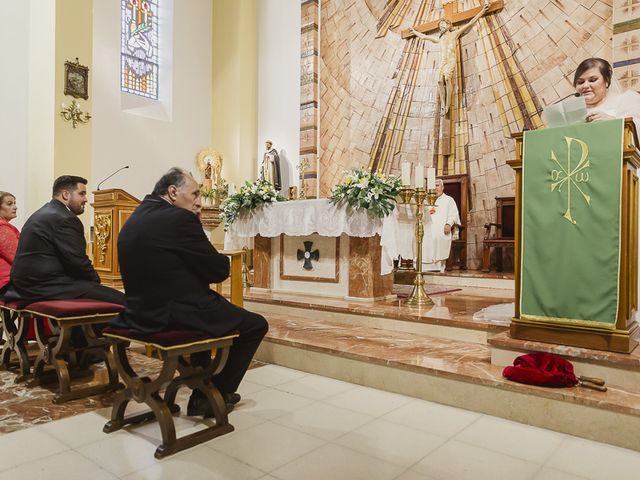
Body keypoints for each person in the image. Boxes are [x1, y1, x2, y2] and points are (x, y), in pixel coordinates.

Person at [112, 167, 268, 416]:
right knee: (255, 325)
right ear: (172, 192)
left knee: (208, 314)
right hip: (172, 313)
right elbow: (218, 271)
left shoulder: (135, 216)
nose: (199, 202)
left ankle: (201, 389)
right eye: (195, 194)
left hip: (137, 312)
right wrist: (195, 224)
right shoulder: (179, 219)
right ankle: (214, 393)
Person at [5, 175, 125, 305]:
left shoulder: (44, 212)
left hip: (24, 284)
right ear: (66, 195)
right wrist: (95, 280)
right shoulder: (65, 218)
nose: (85, 199)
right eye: (82, 194)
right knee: (122, 300)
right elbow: (78, 262)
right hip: (43, 286)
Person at [410, 1, 490, 116]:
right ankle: (443, 104)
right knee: (439, 81)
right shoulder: (439, 39)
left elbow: (471, 23)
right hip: (442, 62)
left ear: (448, 26)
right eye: (440, 25)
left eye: (443, 24)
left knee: (447, 79)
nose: (441, 26)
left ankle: (447, 105)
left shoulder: (455, 34)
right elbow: (425, 37)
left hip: (450, 61)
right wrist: (415, 32)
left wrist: (483, 10)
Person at [573, 57, 640, 126]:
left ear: (607, 81)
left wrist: (613, 122)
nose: (585, 86)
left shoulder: (626, 100)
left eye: (593, 80)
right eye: (581, 82)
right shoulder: (572, 113)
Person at [422, 178, 460, 272]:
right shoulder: (425, 200)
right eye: (433, 186)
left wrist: (448, 224)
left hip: (442, 229)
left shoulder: (448, 200)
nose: (435, 188)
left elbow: (453, 214)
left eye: (437, 185)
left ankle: (438, 268)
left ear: (442, 187)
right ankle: (423, 268)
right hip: (426, 229)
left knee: (438, 237)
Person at [0, 192, 19, 296]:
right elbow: (17, 257)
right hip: (6, 282)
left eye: (14, 203)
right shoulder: (2, 228)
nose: (15, 207)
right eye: (9, 204)